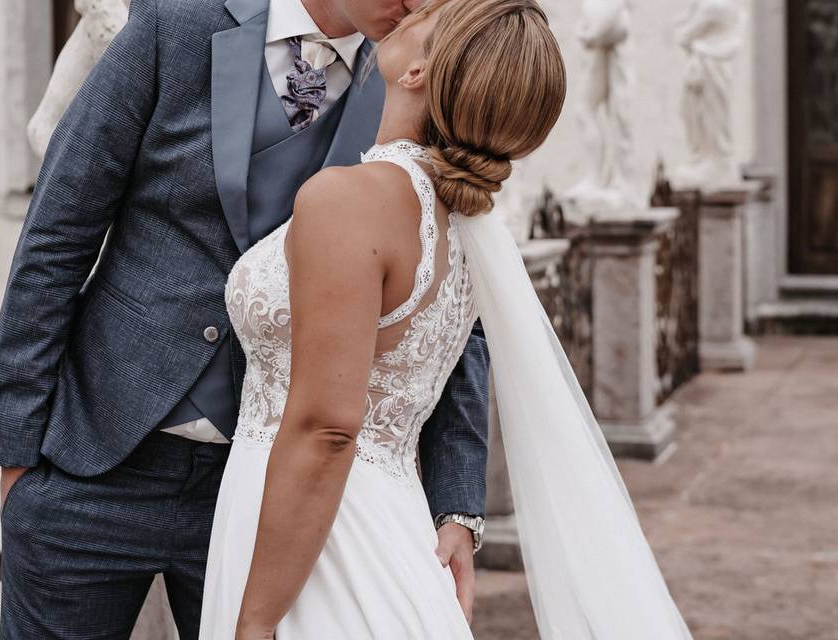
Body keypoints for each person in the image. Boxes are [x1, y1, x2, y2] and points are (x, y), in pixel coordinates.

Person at [0, 0, 490, 637]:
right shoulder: (176, 23)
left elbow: (452, 298)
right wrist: (16, 459)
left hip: (262, 499)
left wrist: (457, 502)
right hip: (95, 464)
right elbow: (57, 235)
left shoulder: (414, 81)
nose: (423, 4)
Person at [200, 1, 695, 639]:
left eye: (429, 17)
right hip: (392, 529)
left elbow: (326, 430)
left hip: (321, 550)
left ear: (418, 72)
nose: (412, 6)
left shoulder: (349, 202)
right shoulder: (461, 223)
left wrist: (256, 621)